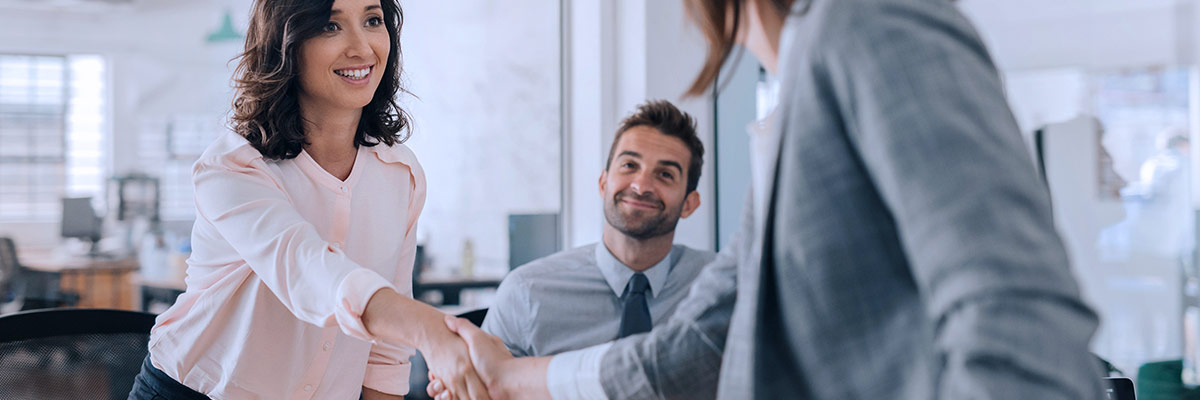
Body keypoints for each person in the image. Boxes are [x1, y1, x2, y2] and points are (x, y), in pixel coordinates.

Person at [431, 0, 1103, 398]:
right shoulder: (789, 117)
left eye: (665, 172)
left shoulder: (871, 23)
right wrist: (514, 379)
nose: (642, 184)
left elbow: (1021, 324)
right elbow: (692, 347)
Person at [127, 0, 490, 399]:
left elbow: (385, 355)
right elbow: (308, 270)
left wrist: (421, 334)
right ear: (286, 44)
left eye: (373, 20)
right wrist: (430, 330)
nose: (362, 47)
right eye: (331, 27)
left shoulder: (399, 174)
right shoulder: (232, 168)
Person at [481, 100, 717, 357]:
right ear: (604, 184)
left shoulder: (720, 286)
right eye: (629, 166)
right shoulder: (526, 293)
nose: (641, 186)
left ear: (689, 204)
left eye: (665, 175)